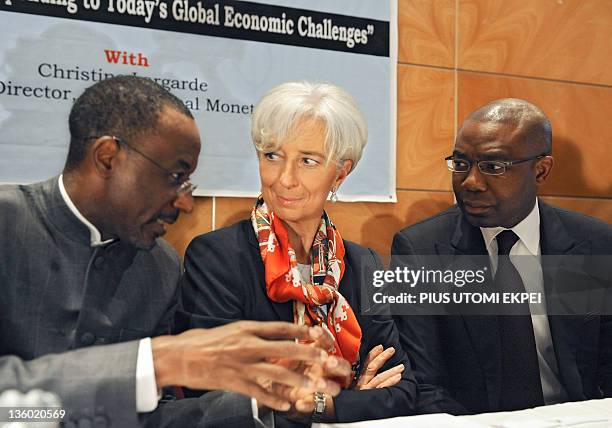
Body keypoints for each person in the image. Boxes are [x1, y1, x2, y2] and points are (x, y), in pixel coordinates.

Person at [0, 75, 351, 427]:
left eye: (188, 183)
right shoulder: (7, 225)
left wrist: (262, 400)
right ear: (107, 158)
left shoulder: (159, 265)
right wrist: (155, 362)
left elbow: (152, 417)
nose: (185, 202)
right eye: (174, 176)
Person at [177, 81, 417, 426]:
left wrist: (319, 404)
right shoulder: (216, 257)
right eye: (272, 156)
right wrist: (351, 401)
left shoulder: (362, 262)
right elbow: (217, 395)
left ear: (340, 174)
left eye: (307, 160)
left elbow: (403, 389)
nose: (284, 179)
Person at [392, 98, 612, 414]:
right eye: (460, 163)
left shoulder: (595, 244)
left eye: (493, 167)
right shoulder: (422, 251)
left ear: (541, 170)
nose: (470, 183)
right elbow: (425, 385)